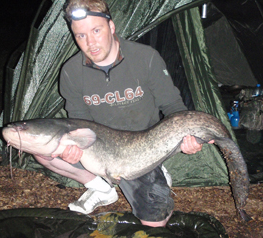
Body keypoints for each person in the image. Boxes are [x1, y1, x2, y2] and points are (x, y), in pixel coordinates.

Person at [34, 0, 212, 227]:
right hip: (100, 145)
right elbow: (79, 122)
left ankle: (154, 167)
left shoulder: (145, 57)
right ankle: (101, 188)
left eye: (96, 31)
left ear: (112, 27)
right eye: (80, 36)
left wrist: (187, 135)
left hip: (141, 146)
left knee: (154, 224)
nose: (90, 43)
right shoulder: (70, 72)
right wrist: (74, 149)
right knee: (43, 149)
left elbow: (172, 105)